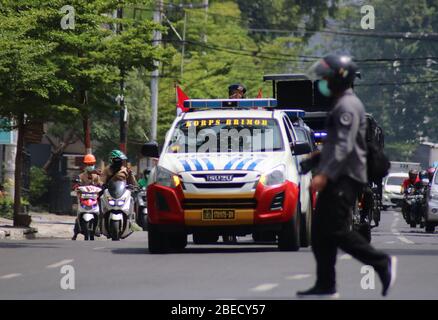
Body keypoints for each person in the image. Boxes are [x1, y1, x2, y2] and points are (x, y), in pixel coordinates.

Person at [296, 54, 397, 298]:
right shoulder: (341, 104)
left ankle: (381, 263)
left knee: (337, 230)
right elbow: (334, 145)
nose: (322, 82)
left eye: (326, 77)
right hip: (338, 174)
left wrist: (325, 175)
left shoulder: (347, 107)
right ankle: (325, 285)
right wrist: (314, 160)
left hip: (344, 177)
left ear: (339, 79)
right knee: (320, 234)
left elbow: (343, 146)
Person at [72, 154, 102, 241]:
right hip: (83, 199)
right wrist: (76, 187)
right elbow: (75, 185)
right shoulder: (81, 176)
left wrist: (102, 187)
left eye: (92, 164)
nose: (90, 166)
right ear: (86, 165)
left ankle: (98, 228)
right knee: (79, 215)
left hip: (94, 199)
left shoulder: (97, 176)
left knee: (100, 212)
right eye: (88, 164)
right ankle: (76, 232)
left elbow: (101, 185)